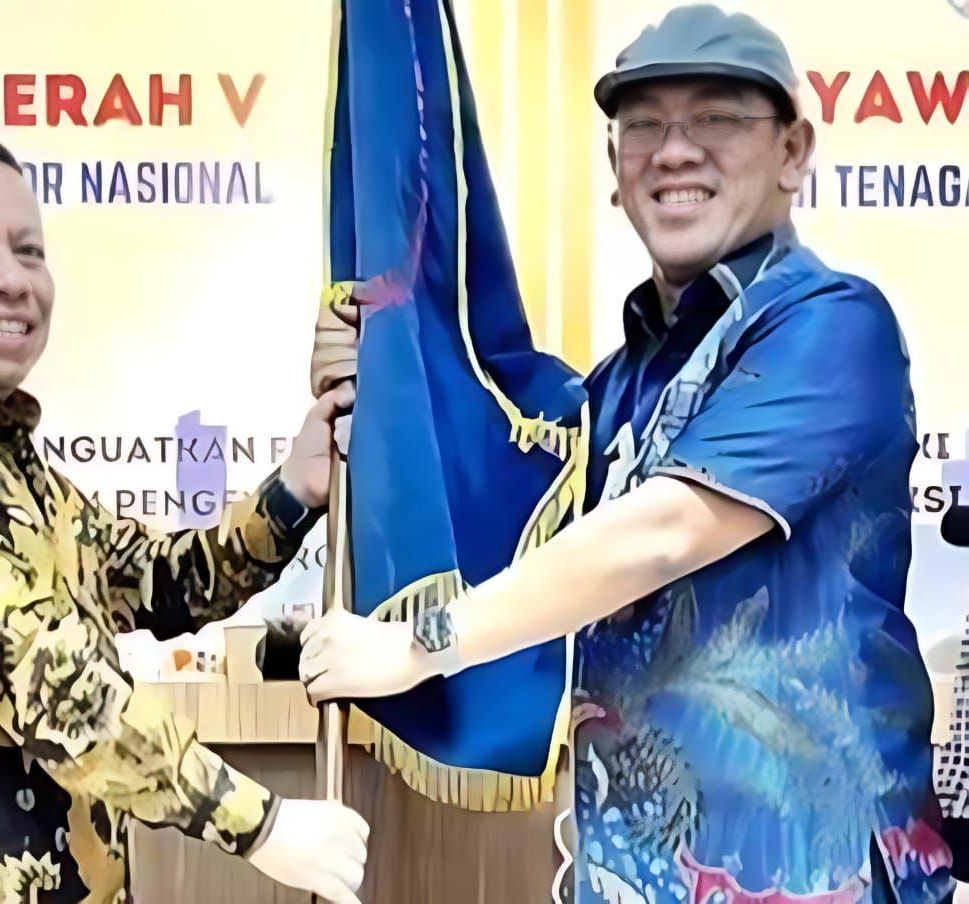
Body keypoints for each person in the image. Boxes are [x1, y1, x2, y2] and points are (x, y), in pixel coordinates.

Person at [300, 5, 956, 901]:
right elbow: (508, 500)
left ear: (794, 150)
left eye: (717, 117)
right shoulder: (616, 387)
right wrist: (386, 378)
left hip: (814, 873)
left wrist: (421, 643)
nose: (674, 151)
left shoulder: (833, 326)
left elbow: (661, 533)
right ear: (615, 171)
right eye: (643, 125)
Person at [0, 127, 366, 903]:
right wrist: (260, 825)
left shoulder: (4, 463)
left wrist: (294, 490)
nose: (10, 279)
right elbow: (39, 672)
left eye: (29, 251)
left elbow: (159, 581)